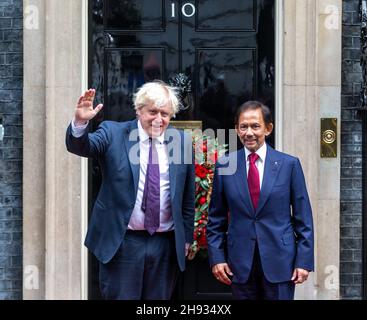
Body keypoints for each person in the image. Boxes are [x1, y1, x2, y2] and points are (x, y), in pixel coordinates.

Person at [65, 81, 195, 300]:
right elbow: (82, 146)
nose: (158, 119)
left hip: (165, 245)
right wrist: (79, 122)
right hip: (123, 242)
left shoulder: (181, 142)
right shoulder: (113, 132)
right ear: (138, 109)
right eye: (152, 112)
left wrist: (186, 238)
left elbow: (187, 196)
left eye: (165, 113)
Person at [207, 101, 314, 300]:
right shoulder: (225, 165)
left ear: (268, 128)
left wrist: (304, 261)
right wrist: (217, 258)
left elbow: (303, 217)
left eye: (255, 126)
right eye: (243, 126)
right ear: (236, 129)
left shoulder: (289, 165)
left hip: (281, 262)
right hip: (239, 264)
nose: (249, 133)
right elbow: (216, 218)